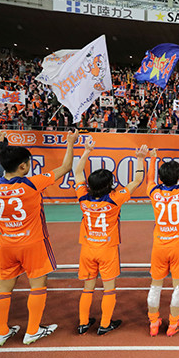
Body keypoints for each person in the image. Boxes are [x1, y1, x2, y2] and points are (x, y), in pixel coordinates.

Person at [0, 129, 78, 346]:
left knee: (4, 288)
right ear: (23, 166)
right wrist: (71, 143)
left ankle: (1, 332)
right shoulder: (32, 183)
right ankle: (32, 331)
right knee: (38, 286)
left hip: (6, 245)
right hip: (33, 243)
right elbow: (65, 167)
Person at [73, 137, 148, 336]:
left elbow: (77, 172)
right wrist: (140, 158)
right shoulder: (115, 199)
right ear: (109, 185)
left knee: (87, 288)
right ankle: (105, 324)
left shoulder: (83, 197)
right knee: (109, 289)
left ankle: (83, 323)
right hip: (107, 249)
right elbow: (137, 180)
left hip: (87, 249)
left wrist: (86, 151)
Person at [145, 147, 179, 337]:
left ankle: (153, 322)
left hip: (159, 245)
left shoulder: (153, 191)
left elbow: (149, 180)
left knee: (155, 285)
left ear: (161, 178)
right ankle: (173, 324)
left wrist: (153, 158)